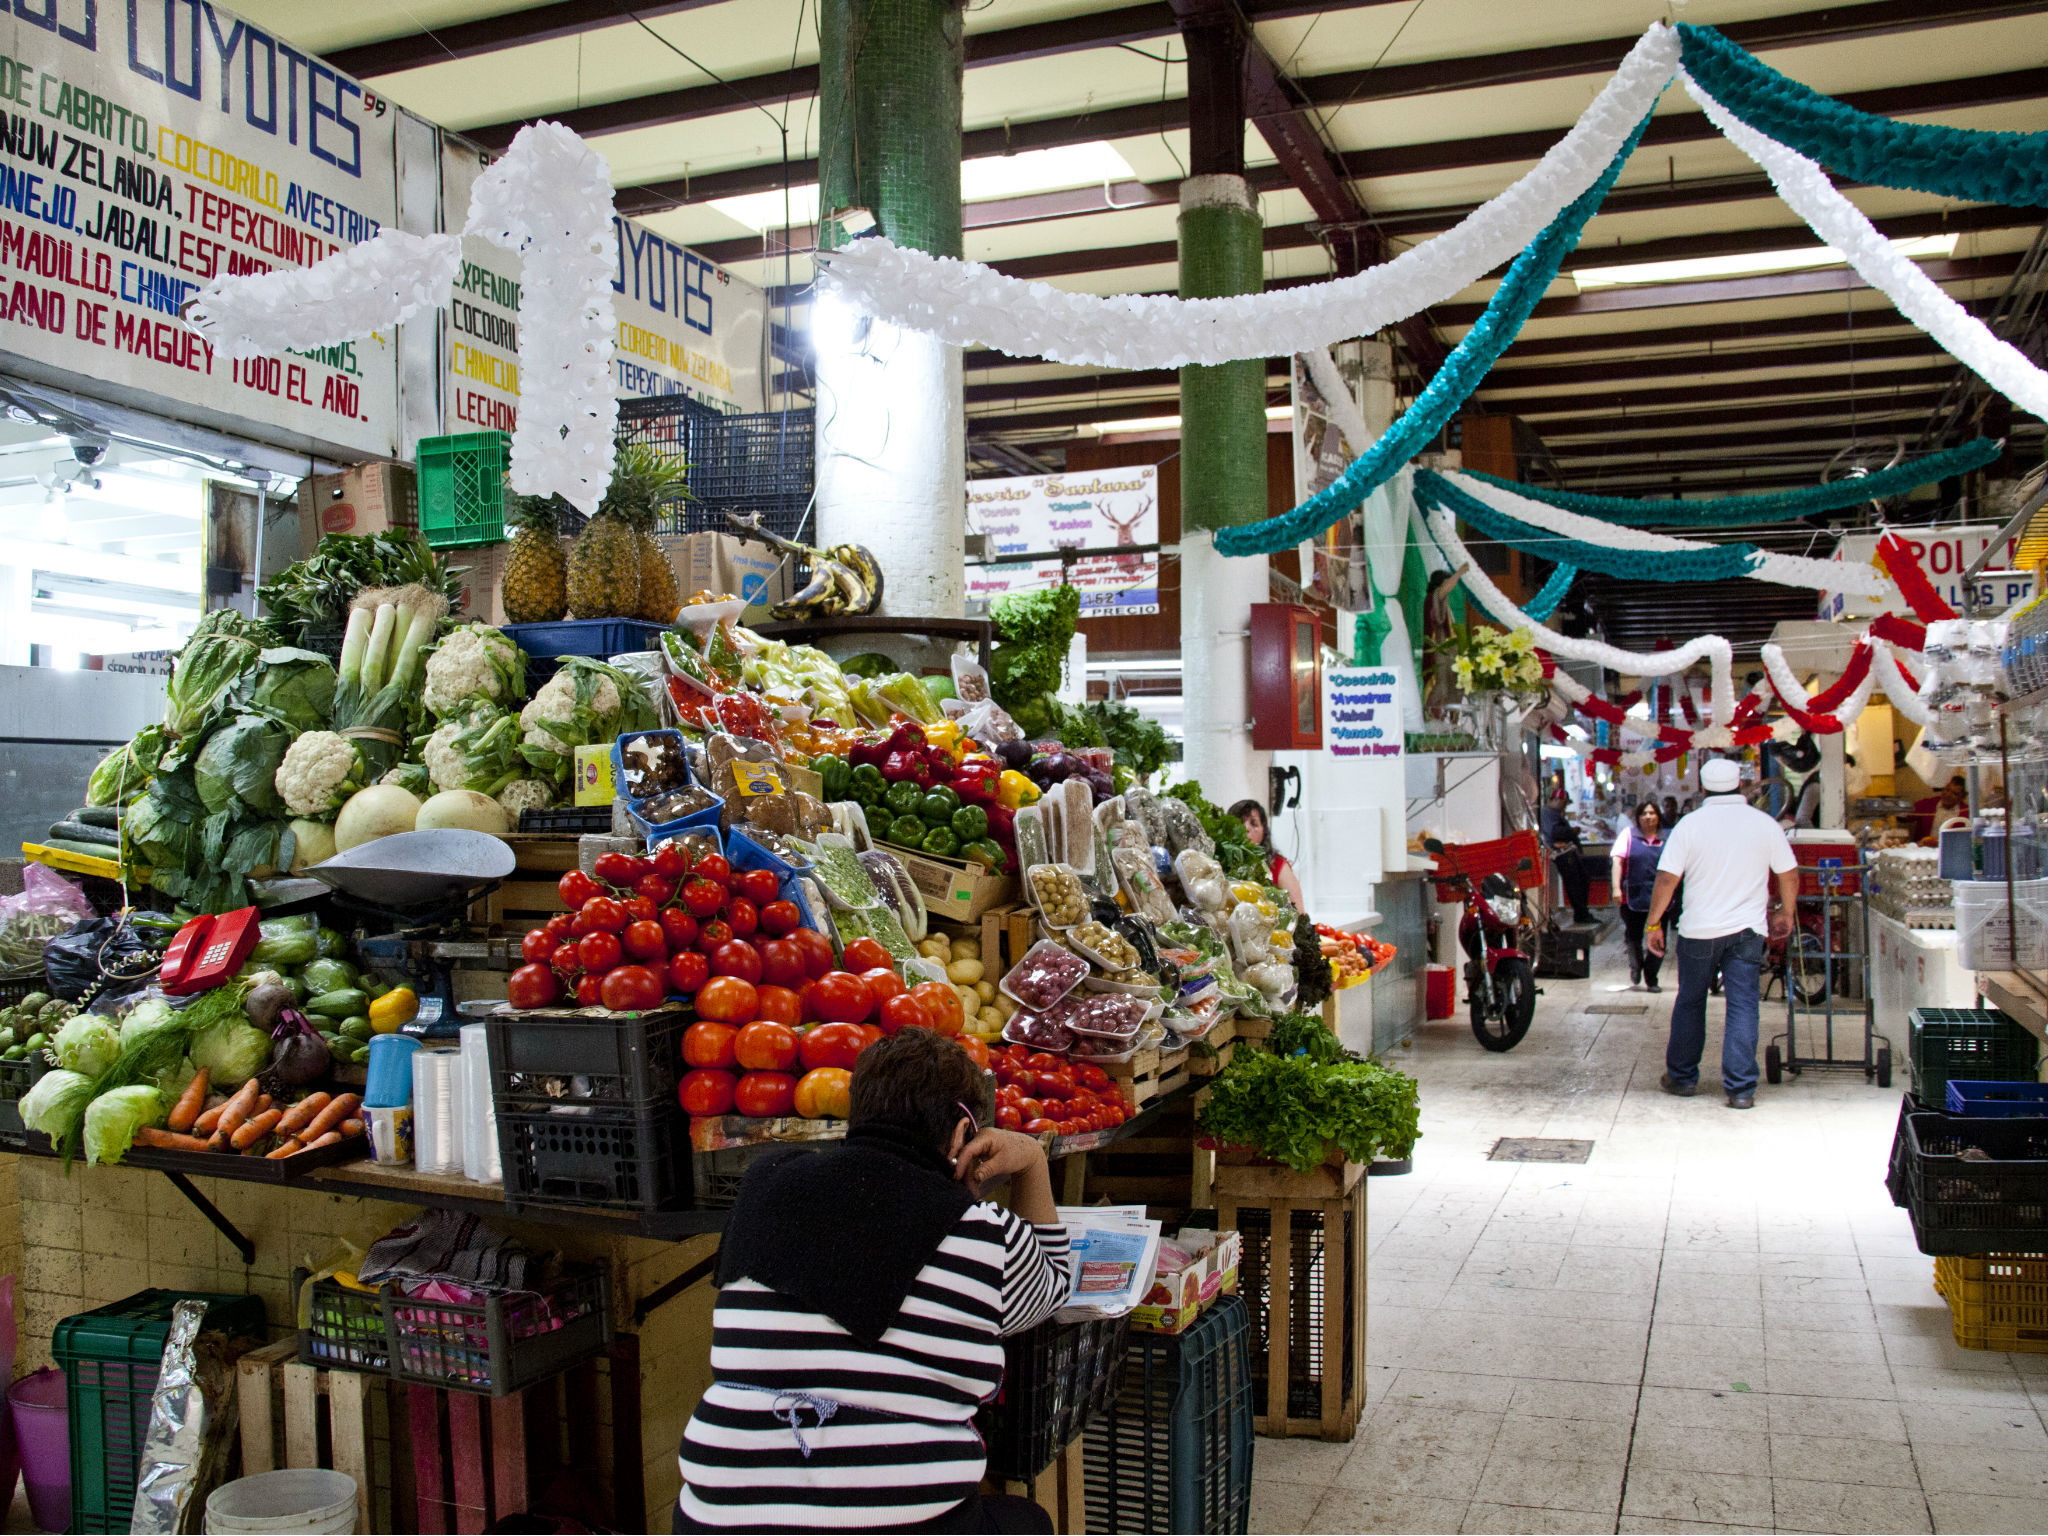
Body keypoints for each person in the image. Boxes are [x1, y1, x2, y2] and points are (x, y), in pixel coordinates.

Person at [674, 1031, 1069, 1533]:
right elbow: (1054, 1284)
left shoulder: (763, 1185)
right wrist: (1031, 1158)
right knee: (1028, 1522)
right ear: (960, 1135)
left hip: (715, 1517)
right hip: (898, 1520)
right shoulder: (982, 1234)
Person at [1645, 757, 1800, 1110]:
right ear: (1740, 786)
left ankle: (1682, 1078)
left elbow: (1667, 879)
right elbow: (1789, 873)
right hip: (1747, 931)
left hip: (1699, 931)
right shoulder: (1764, 824)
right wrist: (1786, 912)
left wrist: (1653, 923)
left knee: (1690, 1001)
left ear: (1703, 789)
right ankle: (1741, 1089)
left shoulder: (1689, 825)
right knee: (1743, 1005)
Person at [1613, 800, 1672, 991]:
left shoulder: (1669, 838)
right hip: (1633, 895)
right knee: (1633, 935)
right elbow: (1617, 861)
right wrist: (1616, 888)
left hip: (1661, 896)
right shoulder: (1628, 835)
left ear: (1658, 817)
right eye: (1644, 814)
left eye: (1652, 813)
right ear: (1638, 818)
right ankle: (1636, 965)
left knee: (1659, 937)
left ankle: (1652, 978)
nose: (1648, 817)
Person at [1229, 799, 1306, 911]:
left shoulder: (1277, 865)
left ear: (1264, 831)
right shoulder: (1219, 864)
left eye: (1254, 824)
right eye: (1240, 823)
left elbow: (1299, 911)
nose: (1246, 828)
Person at [1543, 788, 1594, 925]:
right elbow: (1554, 833)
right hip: (1560, 853)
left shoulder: (1554, 814)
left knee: (1581, 880)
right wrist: (1571, 831)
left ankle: (1582, 912)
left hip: (1566, 852)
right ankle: (1581, 913)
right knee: (1575, 883)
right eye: (1564, 802)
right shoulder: (1548, 814)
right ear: (1556, 800)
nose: (1565, 805)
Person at [1911, 773, 1968, 844]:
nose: (1948, 795)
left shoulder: (1966, 812)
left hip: (1950, 849)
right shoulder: (1927, 804)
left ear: (1962, 797)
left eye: (1955, 793)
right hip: (1923, 848)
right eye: (1947, 790)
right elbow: (1904, 816)